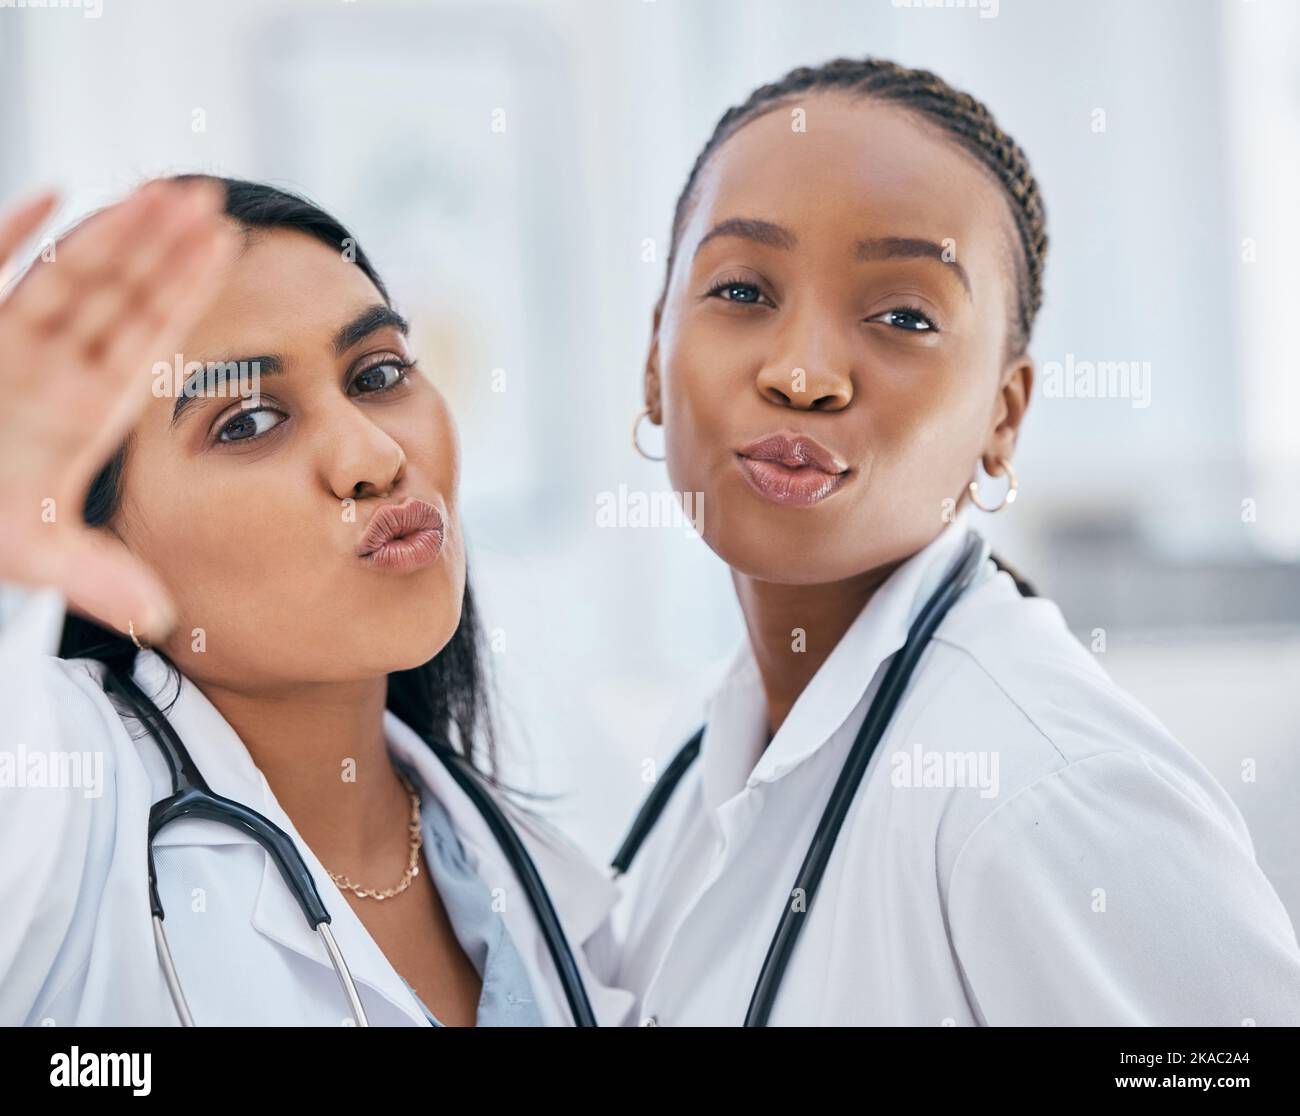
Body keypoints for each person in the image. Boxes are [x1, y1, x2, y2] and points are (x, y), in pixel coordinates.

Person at [610, 57, 1300, 1025]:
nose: (804, 374)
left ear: (1001, 419)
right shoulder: (703, 757)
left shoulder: (1050, 791)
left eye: (903, 315)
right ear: (653, 357)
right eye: (741, 291)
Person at [0, 175, 632, 1027]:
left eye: (377, 375)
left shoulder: (546, 866)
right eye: (249, 423)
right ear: (90, 541)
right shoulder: (65, 806)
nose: (371, 454)